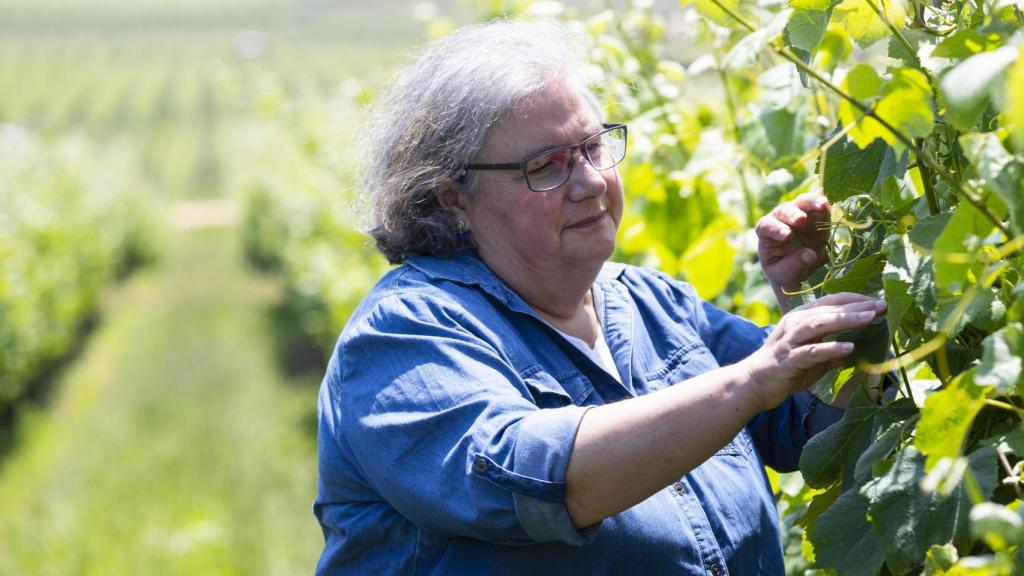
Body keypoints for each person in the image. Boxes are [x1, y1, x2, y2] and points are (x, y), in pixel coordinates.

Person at [313, 19, 885, 575]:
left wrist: (817, 297)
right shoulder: (403, 334)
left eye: (593, 147)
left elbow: (809, 430)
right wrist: (750, 381)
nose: (589, 182)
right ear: (453, 198)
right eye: (546, 167)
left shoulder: (652, 303)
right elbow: (527, 484)